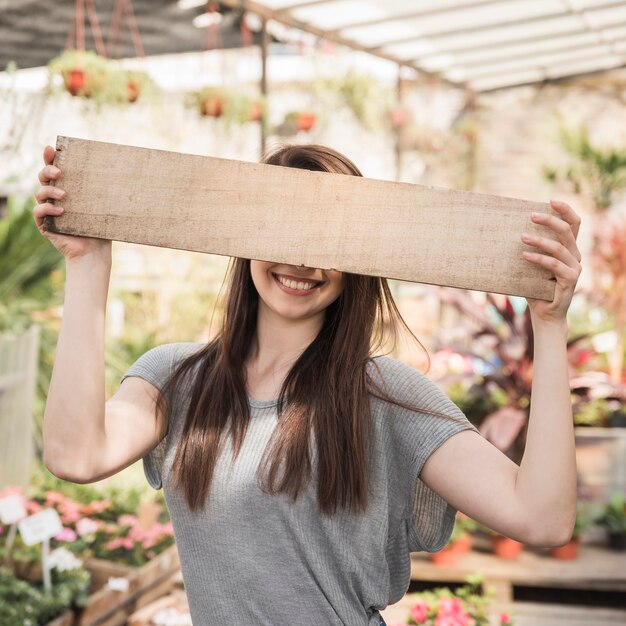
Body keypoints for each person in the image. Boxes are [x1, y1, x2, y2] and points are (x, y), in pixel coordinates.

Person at [35, 143, 582, 626]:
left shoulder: (388, 396)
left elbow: (542, 518)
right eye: (284, 234)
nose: (301, 261)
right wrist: (86, 265)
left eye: (327, 242)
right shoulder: (176, 379)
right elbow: (75, 455)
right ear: (246, 238)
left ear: (359, 260)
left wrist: (550, 327)